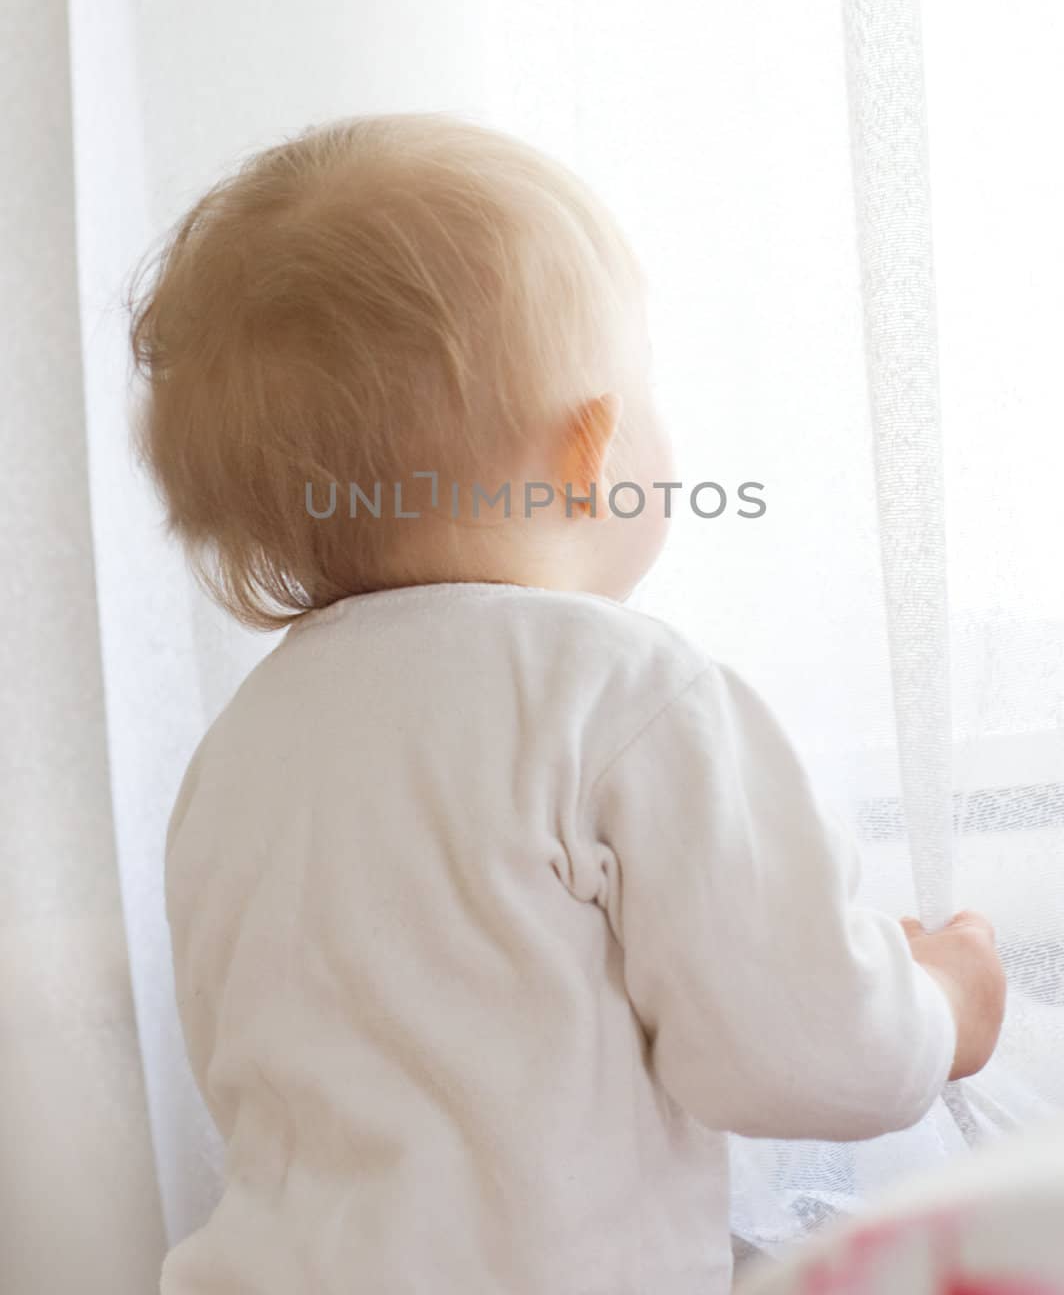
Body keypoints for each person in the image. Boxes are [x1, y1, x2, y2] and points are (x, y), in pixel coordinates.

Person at [128, 112, 1007, 1294]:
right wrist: (936, 1004)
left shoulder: (240, 747)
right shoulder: (623, 689)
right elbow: (798, 1053)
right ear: (590, 448)